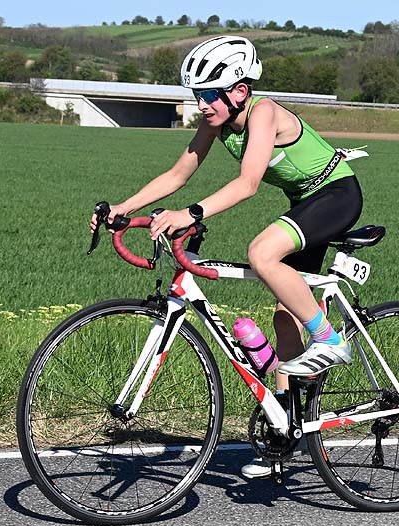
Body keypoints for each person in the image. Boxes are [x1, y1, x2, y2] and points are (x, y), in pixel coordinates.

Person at [90, 35, 363, 478]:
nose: (201, 105)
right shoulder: (217, 121)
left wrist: (191, 213)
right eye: (196, 95)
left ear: (238, 90)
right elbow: (178, 173)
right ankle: (285, 430)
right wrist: (124, 207)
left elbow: (248, 183)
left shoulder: (264, 112)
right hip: (305, 202)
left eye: (208, 95)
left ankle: (330, 341)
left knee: (261, 253)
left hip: (336, 195)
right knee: (284, 318)